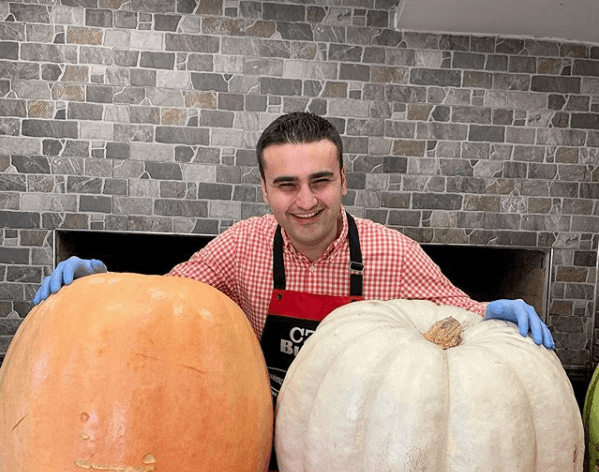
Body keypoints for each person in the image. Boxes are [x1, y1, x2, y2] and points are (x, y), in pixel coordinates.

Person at [33, 112, 554, 396]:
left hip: (355, 441)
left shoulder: (394, 253)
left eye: (320, 181)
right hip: (259, 436)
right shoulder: (242, 245)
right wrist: (102, 281)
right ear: (264, 189)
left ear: (343, 179)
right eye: (287, 185)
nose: (306, 202)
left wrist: (495, 314)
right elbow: (168, 295)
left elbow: (456, 313)